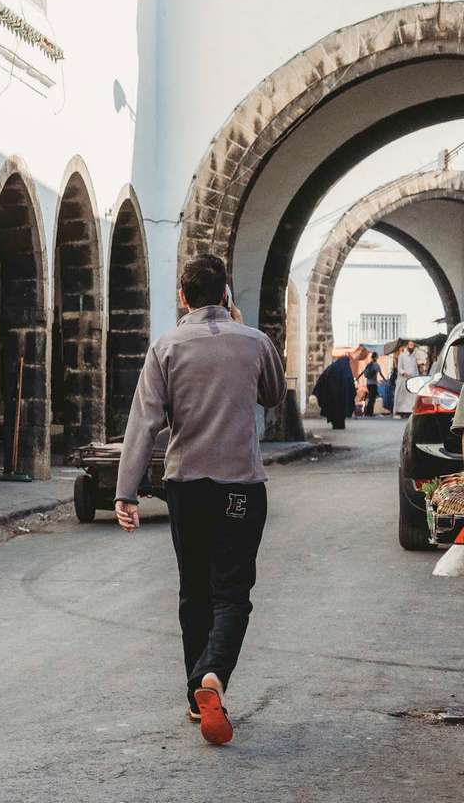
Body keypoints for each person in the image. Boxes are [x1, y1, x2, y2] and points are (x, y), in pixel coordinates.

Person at [116, 254, 285, 747]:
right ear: (226, 293)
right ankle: (214, 674)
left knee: (194, 588)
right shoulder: (255, 342)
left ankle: (196, 694)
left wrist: (126, 491)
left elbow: (144, 422)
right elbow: (272, 395)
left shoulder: (166, 346)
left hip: (187, 485)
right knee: (233, 590)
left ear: (183, 297)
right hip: (240, 487)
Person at [312, 351, 354, 430]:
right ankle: (340, 424)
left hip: (331, 395)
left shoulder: (332, 367)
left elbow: (322, 379)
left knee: (334, 410)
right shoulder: (346, 370)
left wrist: (317, 391)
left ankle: (336, 424)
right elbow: (350, 384)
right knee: (340, 410)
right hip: (341, 397)